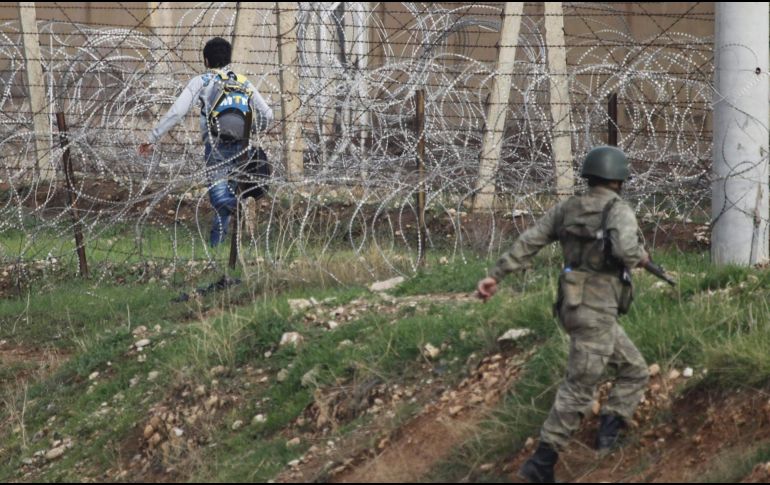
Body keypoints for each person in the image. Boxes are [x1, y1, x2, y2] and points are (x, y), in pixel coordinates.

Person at [476, 146, 651, 483]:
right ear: (619, 178)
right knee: (580, 387)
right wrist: (640, 257)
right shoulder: (618, 210)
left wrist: (496, 275)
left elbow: (530, 240)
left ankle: (608, 438)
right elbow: (625, 249)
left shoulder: (568, 209)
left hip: (572, 305)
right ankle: (541, 463)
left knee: (634, 369)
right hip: (597, 308)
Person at [139, 37, 273, 247]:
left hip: (216, 145)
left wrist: (153, 137)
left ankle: (238, 207)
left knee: (219, 197)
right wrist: (250, 130)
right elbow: (267, 114)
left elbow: (177, 112)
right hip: (243, 145)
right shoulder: (242, 80)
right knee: (224, 198)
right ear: (229, 59)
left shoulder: (202, 81)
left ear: (206, 61)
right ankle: (217, 246)